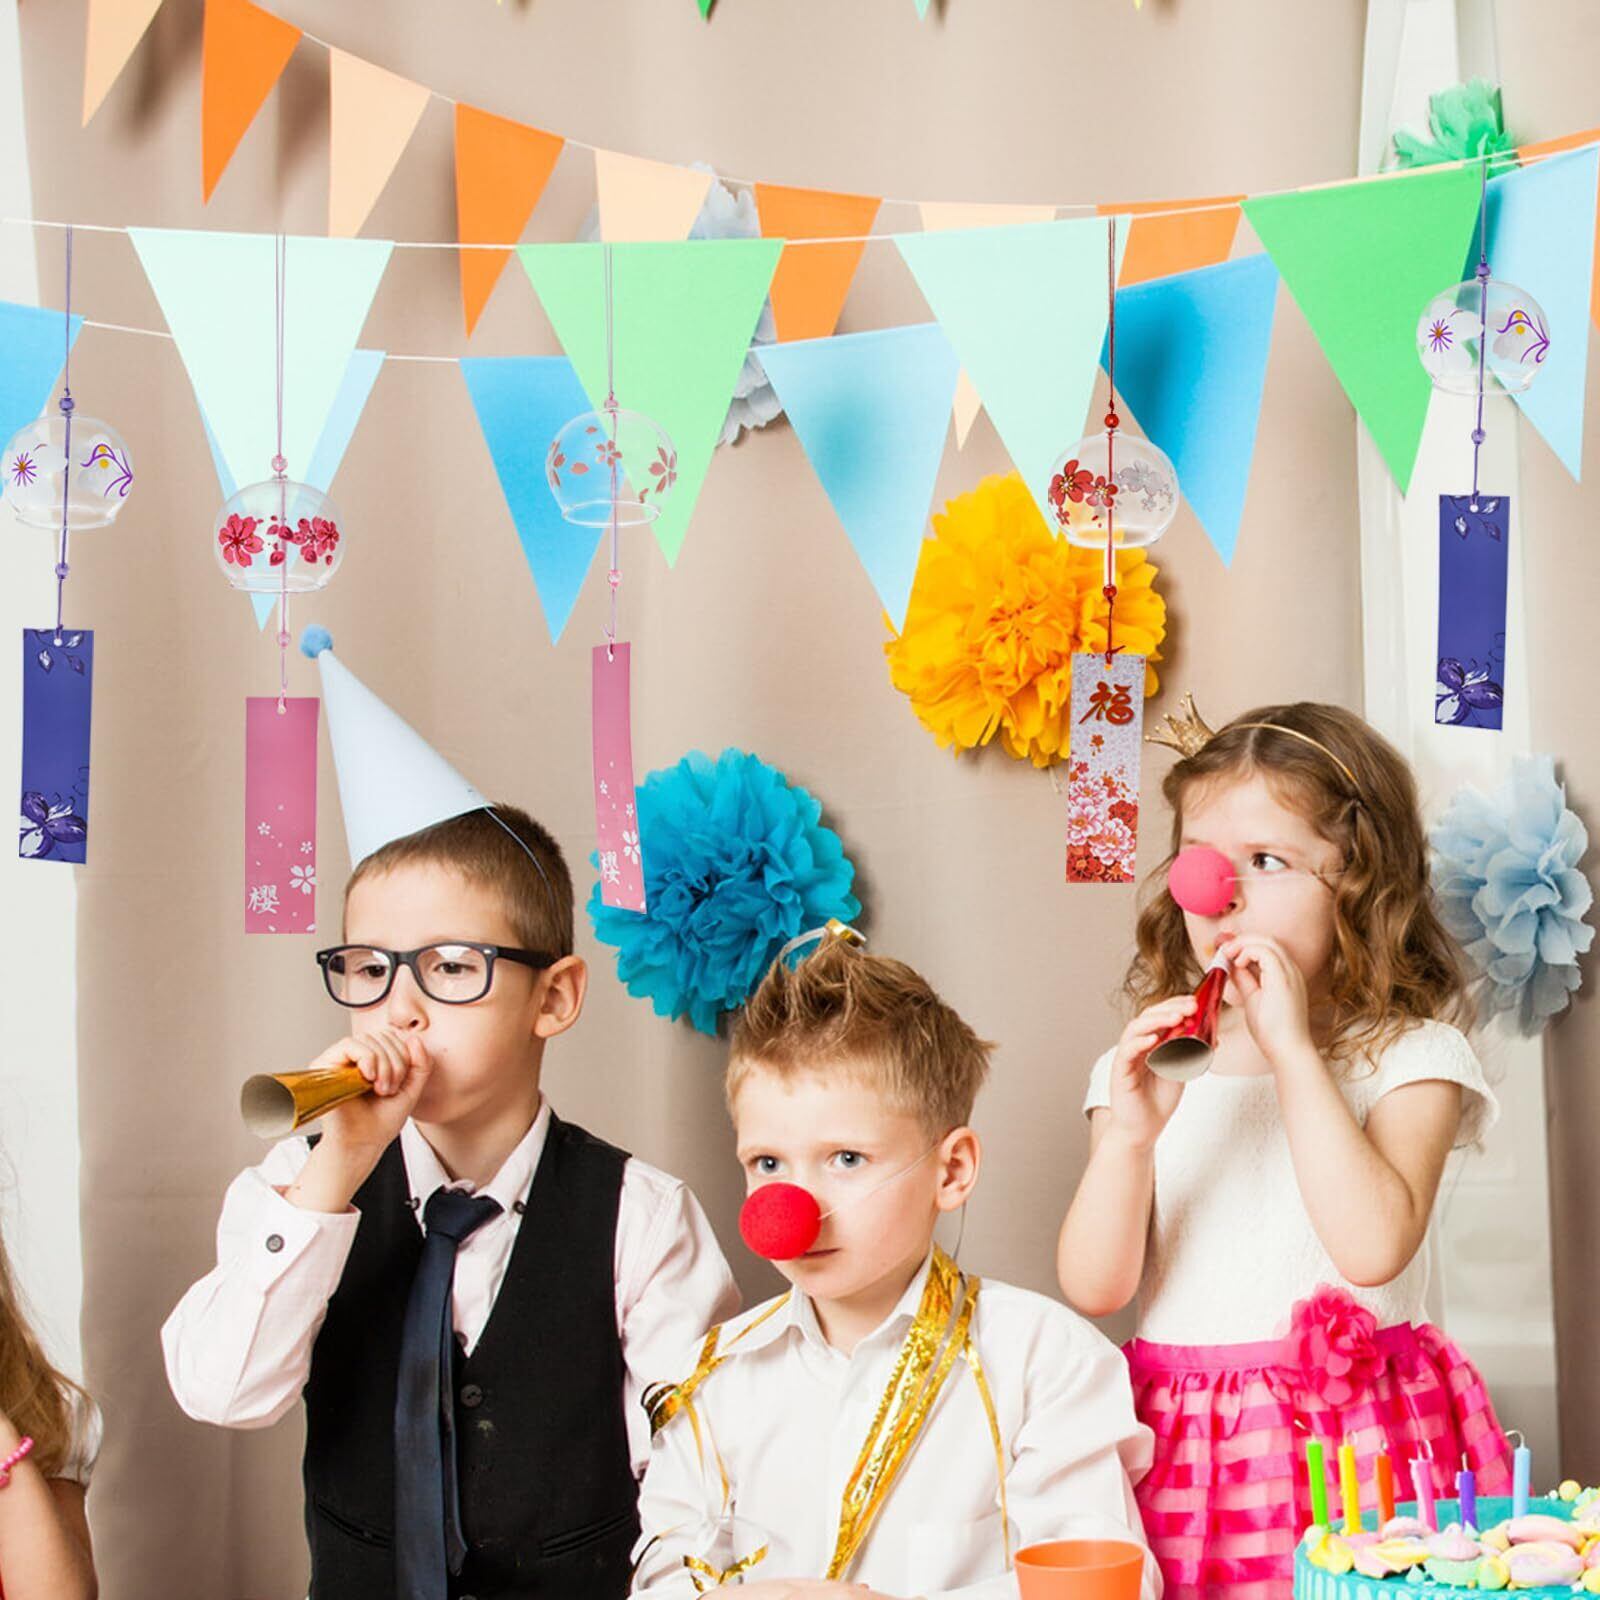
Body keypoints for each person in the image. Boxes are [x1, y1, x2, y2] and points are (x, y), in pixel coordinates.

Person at [1057, 701, 1512, 1600]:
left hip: (1362, 1446)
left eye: (1266, 861)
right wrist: (1131, 1137)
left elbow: (1372, 1248)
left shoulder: (1411, 1057)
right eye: (1200, 861)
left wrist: (1294, 1053)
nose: (1219, 895)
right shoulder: (1143, 1069)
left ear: (1362, 883)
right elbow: (1096, 1288)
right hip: (1188, 1448)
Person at [634, 929, 1156, 1600]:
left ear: (952, 1170)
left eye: (847, 1159)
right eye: (767, 1163)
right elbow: (662, 1575)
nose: (796, 1207)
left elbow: (1105, 1586)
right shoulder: (709, 1378)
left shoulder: (1044, 1362)